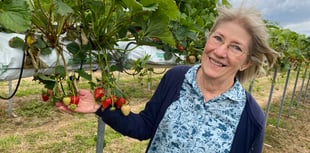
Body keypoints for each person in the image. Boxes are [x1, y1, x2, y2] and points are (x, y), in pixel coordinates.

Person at [57, 6, 278, 153]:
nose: (220, 51)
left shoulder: (251, 118)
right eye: (218, 38)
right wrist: (101, 107)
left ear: (246, 63)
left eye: (235, 47)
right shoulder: (176, 78)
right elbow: (145, 126)